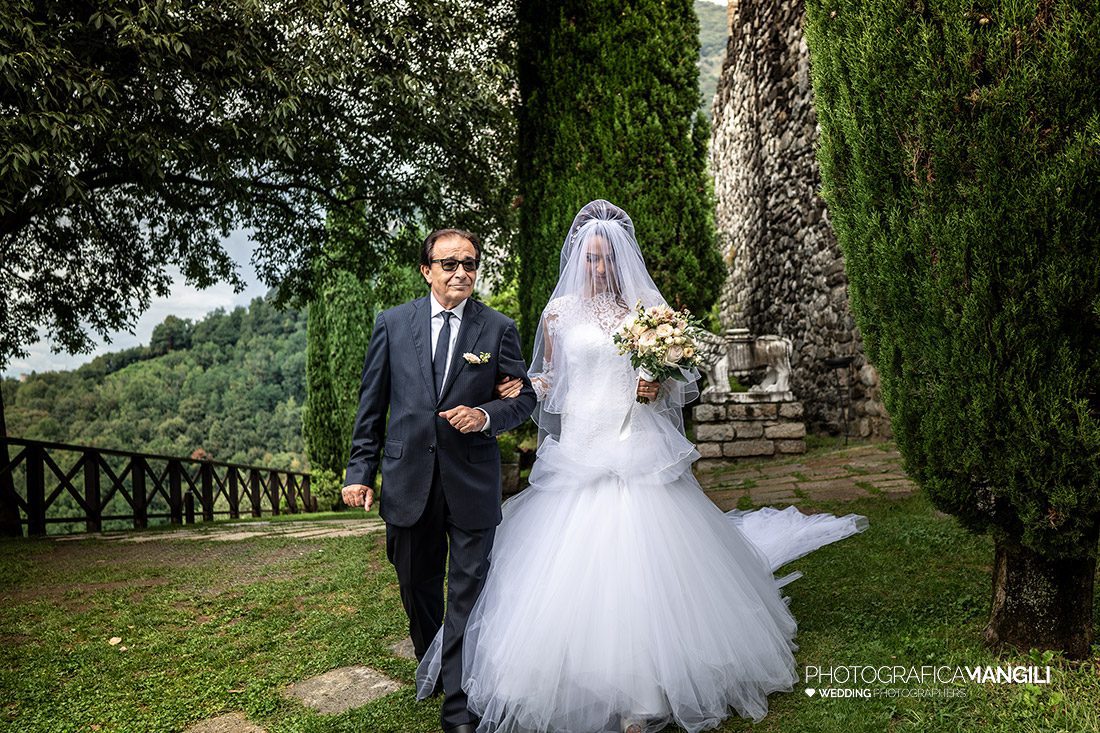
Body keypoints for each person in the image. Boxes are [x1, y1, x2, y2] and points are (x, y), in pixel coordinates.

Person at [414, 201, 868, 733]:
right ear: (578, 260)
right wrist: (515, 387)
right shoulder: (557, 314)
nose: (600, 269)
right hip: (582, 442)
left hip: (635, 438)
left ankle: (646, 693)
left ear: (620, 259)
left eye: (608, 260)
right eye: (591, 260)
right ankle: (574, 677)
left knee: (647, 555)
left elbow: (679, 374)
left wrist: (660, 380)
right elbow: (550, 378)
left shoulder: (645, 309)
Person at [341, 228, 536, 733]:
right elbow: (372, 407)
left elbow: (524, 399)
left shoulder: (497, 329)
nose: (461, 273)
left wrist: (487, 415)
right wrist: (358, 472)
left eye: (469, 263)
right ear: (426, 270)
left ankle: (459, 700)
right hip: (408, 480)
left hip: (472, 479)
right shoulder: (392, 324)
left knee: (466, 592)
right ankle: (433, 659)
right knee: (416, 584)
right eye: (449, 264)